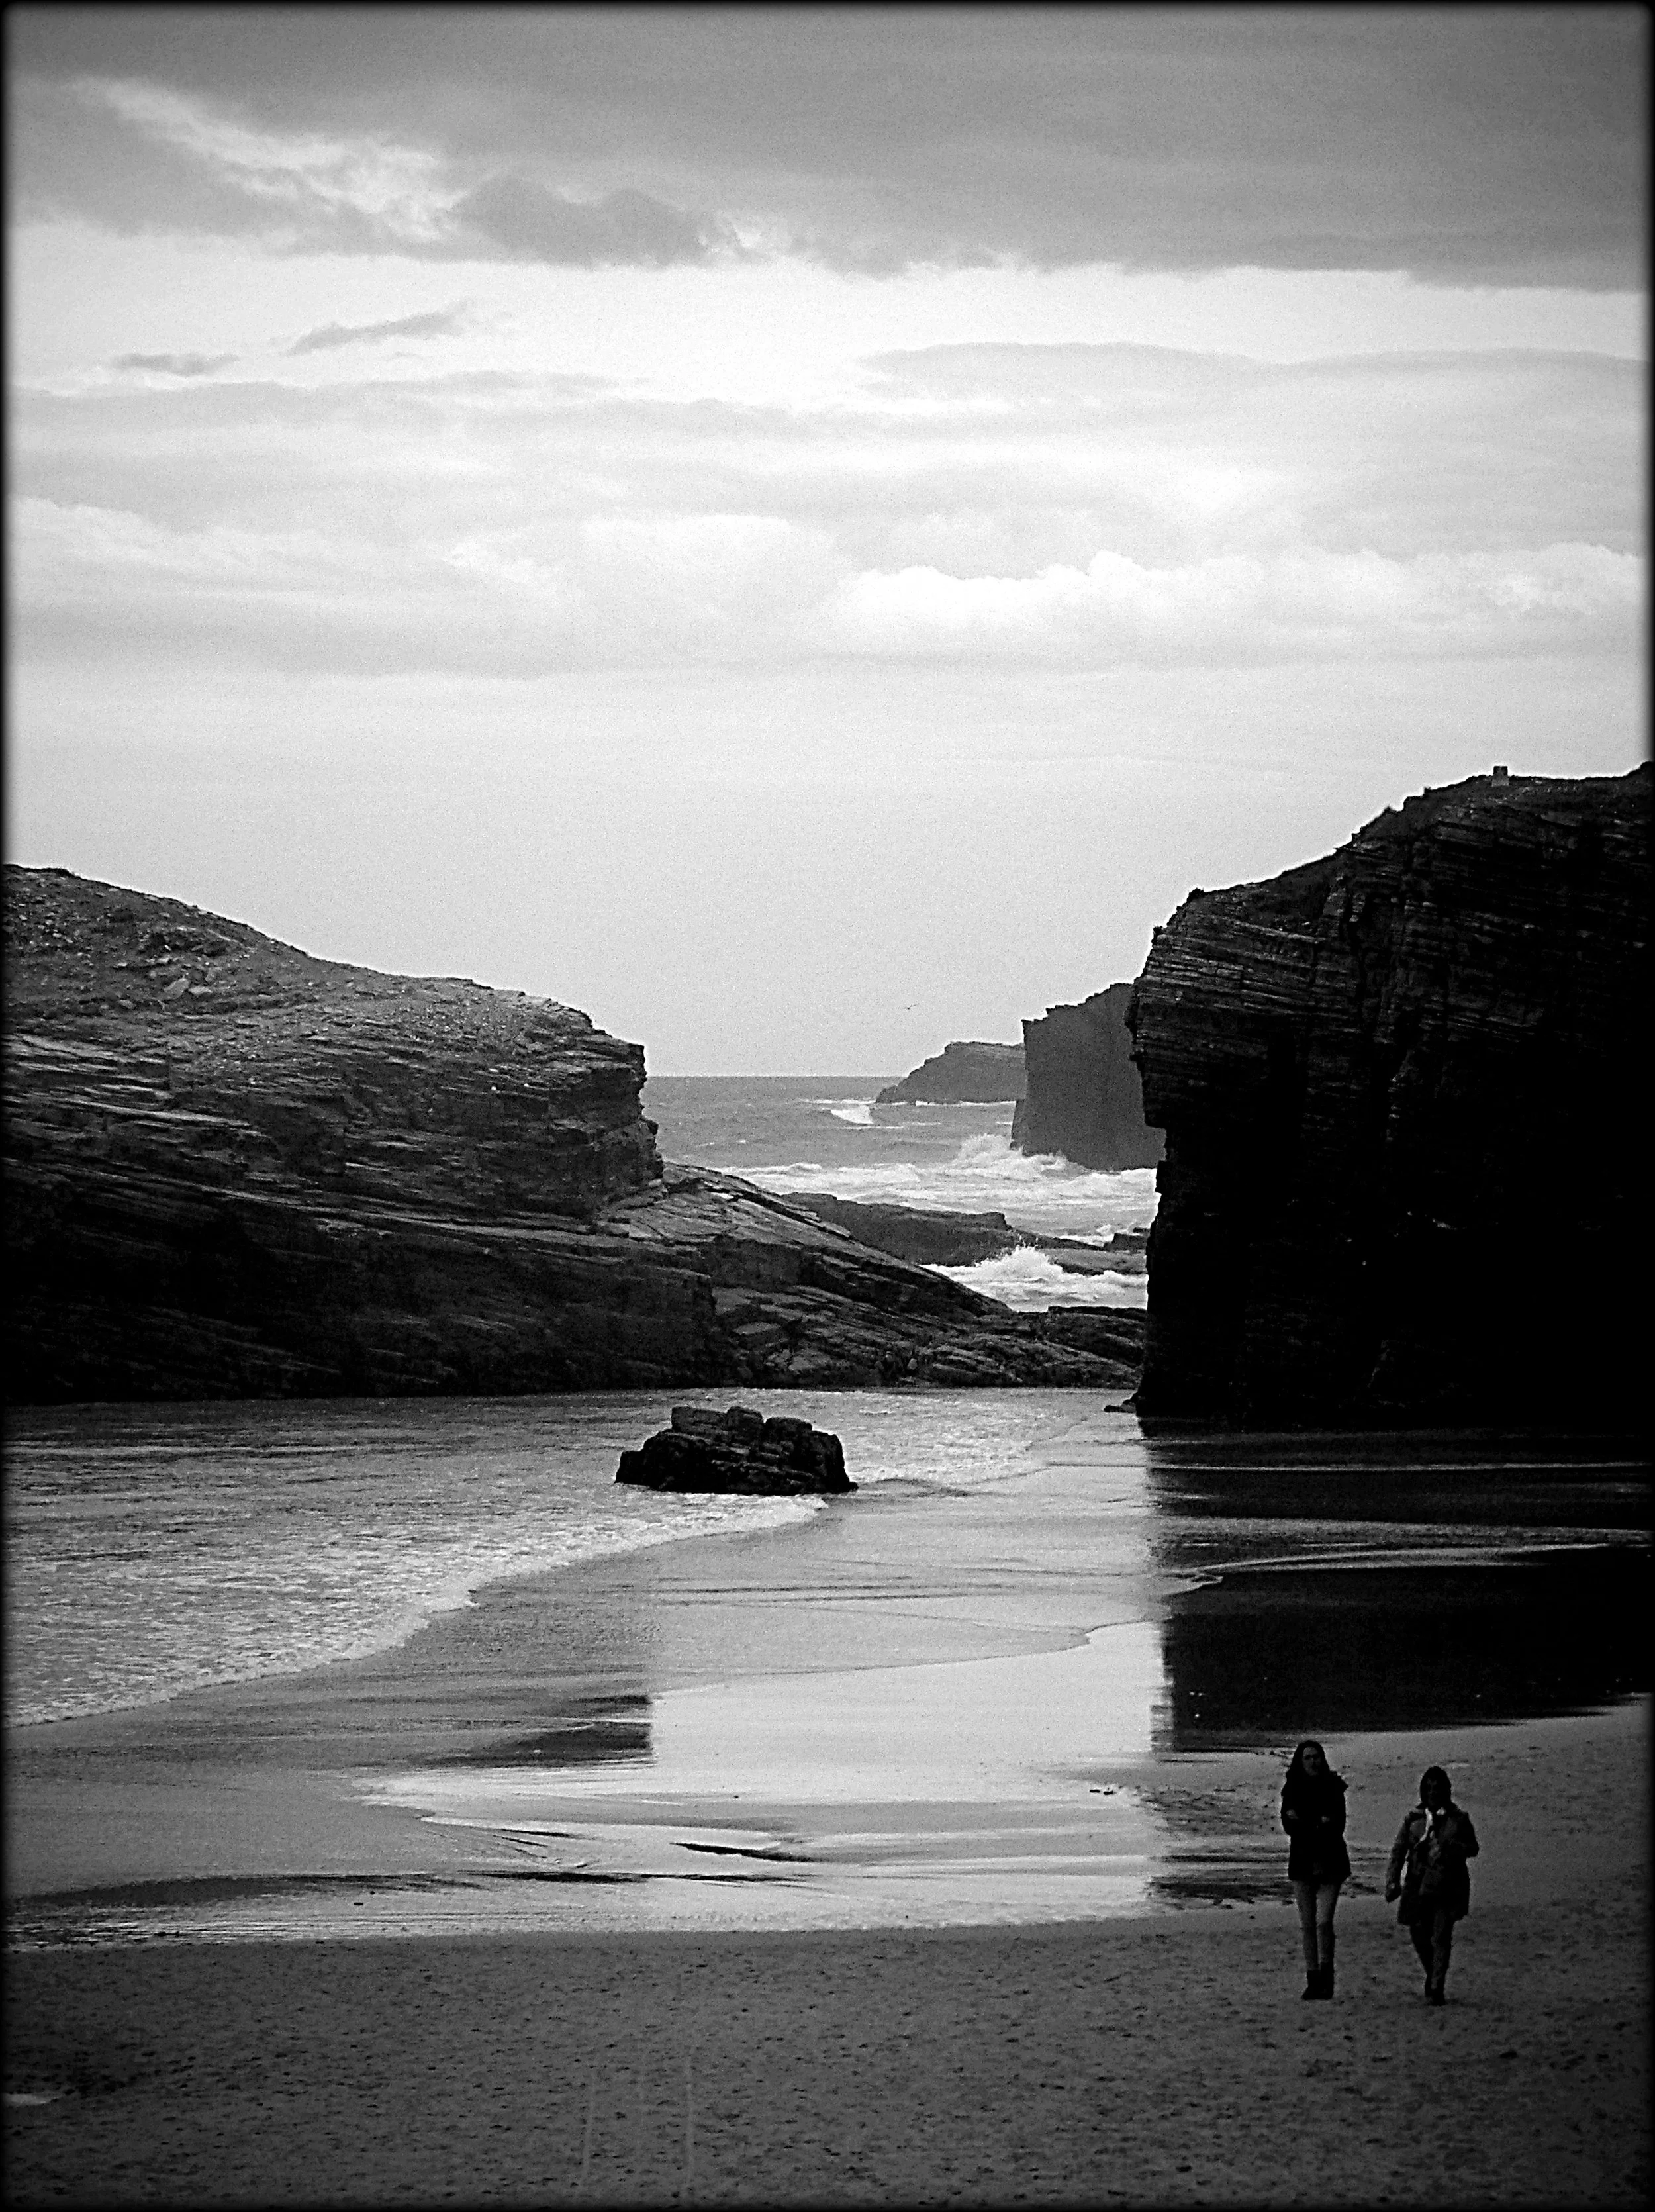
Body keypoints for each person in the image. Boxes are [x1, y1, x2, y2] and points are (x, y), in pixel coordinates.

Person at [1385, 1764, 1480, 2004]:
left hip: (1449, 1884)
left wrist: (1454, 1848)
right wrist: (1392, 1881)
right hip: (1417, 1884)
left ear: (1446, 1791)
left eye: (1437, 1788)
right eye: (1428, 1788)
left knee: (1441, 1935)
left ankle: (1437, 1984)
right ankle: (1433, 1973)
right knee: (1418, 1934)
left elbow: (1473, 1848)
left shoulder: (1459, 1819)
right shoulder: (1413, 1820)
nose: (1432, 1793)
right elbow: (1398, 1852)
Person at [1281, 1739, 1350, 1999]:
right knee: (1307, 1925)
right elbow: (1288, 1825)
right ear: (1300, 1761)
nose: (1313, 1762)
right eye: (1308, 1757)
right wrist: (1317, 1823)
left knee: (1324, 1922)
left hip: (1331, 1861)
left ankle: (1327, 1975)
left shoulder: (1333, 1787)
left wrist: (1307, 1823)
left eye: (1316, 1757)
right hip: (1301, 1862)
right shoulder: (1292, 1789)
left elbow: (1337, 1825)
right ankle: (1313, 1978)